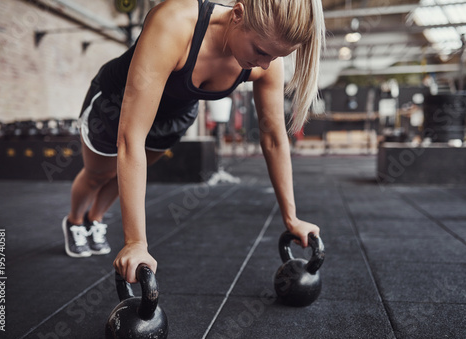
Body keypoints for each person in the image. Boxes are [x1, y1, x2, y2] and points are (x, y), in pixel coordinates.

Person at [62, 0, 325, 283]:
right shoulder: (175, 22)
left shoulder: (266, 60)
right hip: (115, 105)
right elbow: (131, 138)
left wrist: (292, 218)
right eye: (261, 52)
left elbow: (273, 138)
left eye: (274, 57)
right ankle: (75, 221)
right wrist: (136, 242)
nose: (265, 64)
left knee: (121, 176)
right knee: (98, 174)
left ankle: (96, 218)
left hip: (174, 115)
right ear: (237, 14)